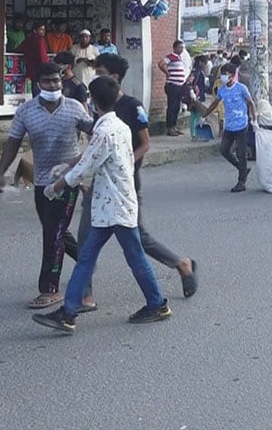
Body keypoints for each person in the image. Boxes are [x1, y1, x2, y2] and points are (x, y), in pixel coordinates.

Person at [31, 75, 171, 334]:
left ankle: (156, 303)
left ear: (93, 103)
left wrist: (54, 187)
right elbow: (91, 157)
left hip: (114, 206)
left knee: (130, 257)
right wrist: (69, 165)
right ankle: (69, 312)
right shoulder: (119, 126)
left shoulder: (104, 131)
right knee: (89, 257)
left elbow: (86, 166)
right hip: (112, 203)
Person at [75, 54, 197, 298]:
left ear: (114, 77)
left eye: (100, 72)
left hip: (125, 184)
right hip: (100, 184)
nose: (96, 77)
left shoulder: (133, 106)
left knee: (139, 238)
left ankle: (181, 264)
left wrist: (127, 167)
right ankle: (83, 295)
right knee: (85, 237)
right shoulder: (99, 106)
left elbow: (145, 143)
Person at [0, 62, 93, 308]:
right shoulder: (26, 112)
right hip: (41, 183)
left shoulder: (74, 109)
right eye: (48, 81)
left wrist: (83, 171)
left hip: (67, 181)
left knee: (52, 233)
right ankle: (86, 260)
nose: (53, 85)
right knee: (55, 230)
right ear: (38, 85)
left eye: (57, 81)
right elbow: (13, 143)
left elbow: (96, 133)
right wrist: (0, 174)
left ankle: (49, 289)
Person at [198, 62, 257, 192]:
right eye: (222, 74)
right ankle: (242, 169)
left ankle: (241, 182)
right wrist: (204, 116)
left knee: (242, 153)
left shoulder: (241, 88)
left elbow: (251, 103)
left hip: (241, 125)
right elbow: (214, 104)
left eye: (225, 74)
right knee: (224, 150)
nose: (223, 77)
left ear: (232, 75)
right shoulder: (223, 90)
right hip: (229, 125)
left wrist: (254, 120)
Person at [158, 40, 189, 136]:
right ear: (175, 48)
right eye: (180, 47)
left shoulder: (179, 58)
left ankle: (174, 127)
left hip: (179, 86)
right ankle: (169, 128)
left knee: (176, 107)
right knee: (171, 107)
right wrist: (167, 73)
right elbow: (161, 63)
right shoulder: (171, 56)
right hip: (172, 86)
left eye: (182, 48)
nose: (181, 49)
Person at [18, 22, 49, 97]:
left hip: (30, 70)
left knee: (34, 91)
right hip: (40, 69)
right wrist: (47, 66)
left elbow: (18, 49)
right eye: (41, 29)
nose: (43, 32)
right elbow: (42, 56)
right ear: (35, 31)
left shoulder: (28, 40)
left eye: (44, 30)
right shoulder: (40, 39)